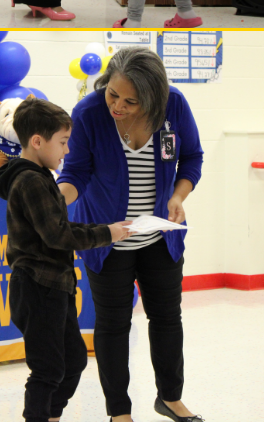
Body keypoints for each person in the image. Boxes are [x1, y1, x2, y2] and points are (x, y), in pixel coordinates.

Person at [58, 48, 204, 422]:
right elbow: (75, 173)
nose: (117, 106)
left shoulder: (174, 107)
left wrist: (177, 195)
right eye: (112, 93)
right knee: (113, 324)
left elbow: (191, 158)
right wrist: (55, 199)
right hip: (107, 240)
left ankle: (170, 398)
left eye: (130, 101)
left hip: (159, 237)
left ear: (152, 99)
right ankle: (119, 412)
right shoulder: (89, 113)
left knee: (167, 318)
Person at [0, 97, 130, 422]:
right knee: (48, 369)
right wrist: (107, 234)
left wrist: (109, 229)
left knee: (74, 360)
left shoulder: (40, 177)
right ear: (37, 142)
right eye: (63, 143)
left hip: (55, 286)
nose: (67, 151)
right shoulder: (30, 181)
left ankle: (50, 416)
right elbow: (58, 235)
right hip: (38, 288)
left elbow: (60, 227)